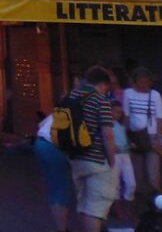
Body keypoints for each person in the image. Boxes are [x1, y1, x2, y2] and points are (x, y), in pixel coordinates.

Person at [70, 66, 117, 232]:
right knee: (96, 208)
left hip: (75, 157)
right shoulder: (100, 100)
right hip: (97, 161)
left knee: (82, 204)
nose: (107, 90)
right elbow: (108, 135)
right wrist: (112, 161)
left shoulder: (72, 96)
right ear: (103, 84)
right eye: (107, 87)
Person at [123, 67, 162, 202]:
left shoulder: (155, 95)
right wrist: (126, 136)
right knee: (136, 170)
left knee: (153, 171)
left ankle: (154, 194)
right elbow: (126, 116)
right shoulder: (128, 93)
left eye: (146, 82)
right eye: (140, 82)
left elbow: (159, 117)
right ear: (135, 82)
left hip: (151, 135)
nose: (143, 85)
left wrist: (159, 137)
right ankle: (140, 195)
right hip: (135, 135)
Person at [34, 112, 72, 232]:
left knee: (54, 187)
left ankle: (61, 227)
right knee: (61, 189)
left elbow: (41, 124)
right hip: (53, 147)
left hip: (41, 143)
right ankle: (62, 229)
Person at [111, 100, 137, 224]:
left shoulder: (121, 125)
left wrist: (130, 143)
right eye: (115, 111)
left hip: (125, 155)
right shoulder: (107, 125)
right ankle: (117, 207)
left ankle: (127, 203)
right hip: (115, 156)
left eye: (119, 112)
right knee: (115, 183)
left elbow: (124, 138)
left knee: (131, 183)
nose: (118, 114)